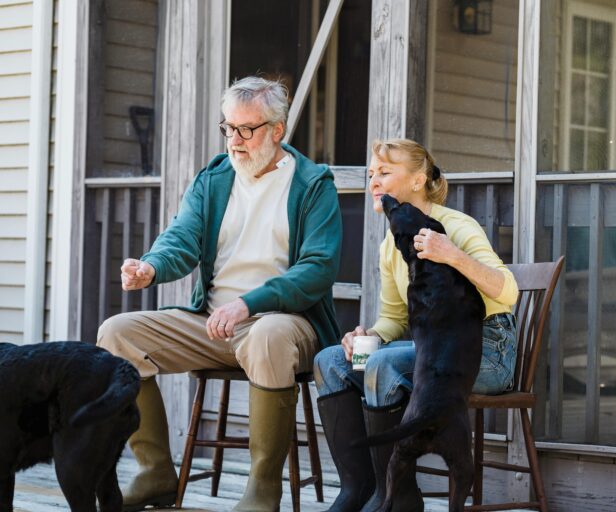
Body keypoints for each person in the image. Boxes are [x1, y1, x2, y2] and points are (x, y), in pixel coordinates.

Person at [97, 76, 342, 512]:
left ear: (277, 130)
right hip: (211, 324)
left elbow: (317, 270)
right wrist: (150, 266)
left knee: (268, 336)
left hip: (283, 326)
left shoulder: (312, 183)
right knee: (117, 334)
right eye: (228, 128)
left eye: (247, 129)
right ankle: (154, 472)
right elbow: (182, 237)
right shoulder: (214, 178)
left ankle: (263, 488)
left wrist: (250, 303)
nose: (235, 140)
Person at [313, 138, 519, 512]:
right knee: (332, 362)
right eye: (372, 173)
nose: (373, 181)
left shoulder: (456, 226)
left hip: (483, 353)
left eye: (385, 172)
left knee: (382, 365)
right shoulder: (390, 244)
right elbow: (394, 319)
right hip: (430, 355)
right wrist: (367, 335)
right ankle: (359, 489)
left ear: (418, 180)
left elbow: (508, 292)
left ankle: (396, 498)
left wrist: (451, 254)